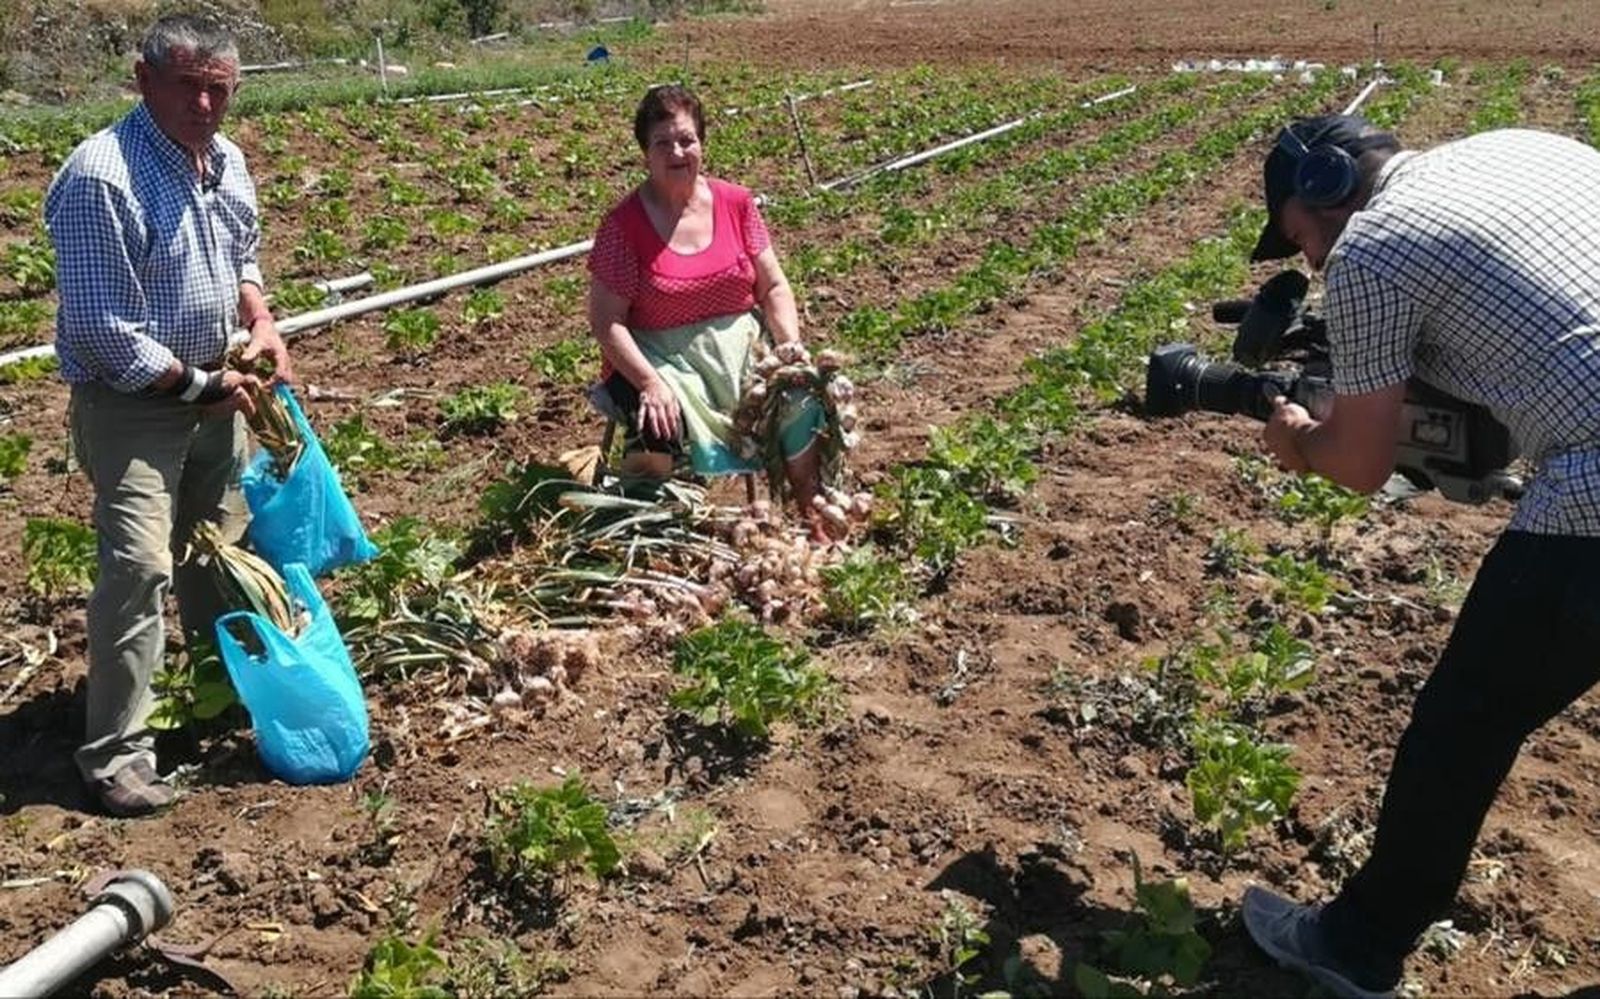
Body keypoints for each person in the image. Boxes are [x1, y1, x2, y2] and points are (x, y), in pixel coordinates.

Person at [1241, 113, 1600, 997]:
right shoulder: (1522, 147)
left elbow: (1361, 466)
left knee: (1465, 720)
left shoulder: (1373, 250)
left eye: (1299, 238)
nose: (1312, 262)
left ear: (1325, 188)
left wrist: (1299, 439)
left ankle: (1359, 942)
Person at [46, 14, 291, 817]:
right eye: (188, 86)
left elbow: (241, 254)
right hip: (136, 406)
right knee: (139, 567)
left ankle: (214, 698)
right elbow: (103, 331)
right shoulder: (102, 176)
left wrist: (260, 319)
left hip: (217, 387)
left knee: (215, 552)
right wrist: (196, 385)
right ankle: (116, 754)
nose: (204, 105)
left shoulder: (227, 160)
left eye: (219, 89)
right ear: (143, 79)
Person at [587, 84, 824, 514]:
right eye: (662, 143)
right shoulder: (623, 226)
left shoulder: (736, 203)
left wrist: (789, 345)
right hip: (659, 356)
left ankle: (814, 515)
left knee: (799, 397)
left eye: (686, 139)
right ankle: (650, 523)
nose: (676, 152)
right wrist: (650, 383)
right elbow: (607, 323)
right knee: (659, 421)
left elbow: (772, 286)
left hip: (741, 350)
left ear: (702, 143)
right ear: (645, 153)